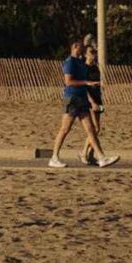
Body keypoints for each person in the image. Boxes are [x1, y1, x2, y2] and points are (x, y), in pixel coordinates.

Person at [48, 37, 114, 168]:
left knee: (91, 130)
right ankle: (54, 157)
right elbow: (68, 82)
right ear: (74, 47)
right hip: (72, 98)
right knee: (65, 129)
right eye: (80, 47)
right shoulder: (69, 62)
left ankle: (101, 158)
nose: (83, 49)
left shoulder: (80, 63)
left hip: (82, 99)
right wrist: (86, 82)